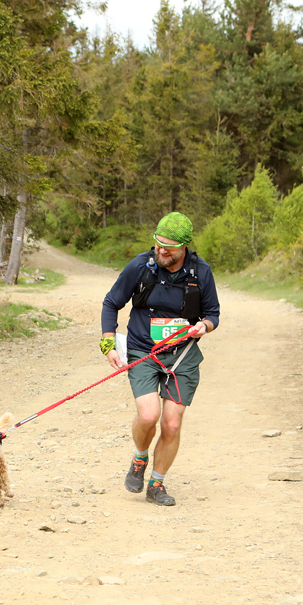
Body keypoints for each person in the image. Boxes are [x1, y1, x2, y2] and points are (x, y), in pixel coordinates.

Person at [100, 212, 221, 506]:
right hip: (143, 351)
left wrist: (204, 326)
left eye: (169, 247)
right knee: (148, 416)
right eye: (158, 243)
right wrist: (108, 343)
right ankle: (140, 457)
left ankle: (156, 484)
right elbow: (111, 302)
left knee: (172, 424)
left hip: (183, 356)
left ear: (184, 246)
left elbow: (213, 314)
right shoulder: (140, 266)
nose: (161, 250)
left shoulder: (201, 272)